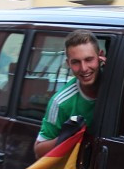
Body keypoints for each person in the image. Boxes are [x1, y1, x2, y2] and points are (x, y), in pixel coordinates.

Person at [34, 30, 105, 158]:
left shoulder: (119, 81)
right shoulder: (61, 102)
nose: (84, 68)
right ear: (68, 64)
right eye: (76, 62)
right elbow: (39, 150)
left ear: (100, 56)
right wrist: (65, 137)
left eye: (89, 59)